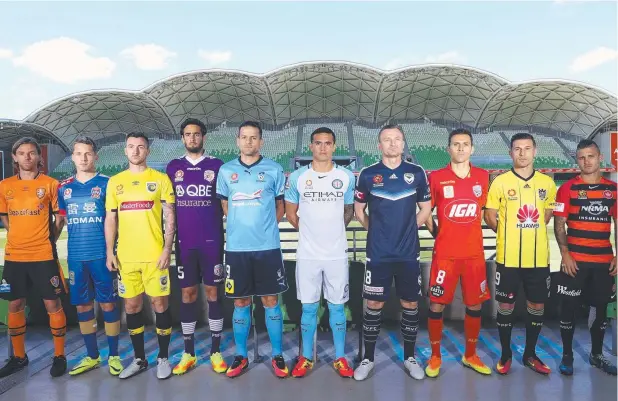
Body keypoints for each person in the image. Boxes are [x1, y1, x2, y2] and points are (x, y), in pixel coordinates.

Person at [353, 124, 432, 381]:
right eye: (387, 140)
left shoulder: (416, 173)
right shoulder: (368, 174)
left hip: (409, 253)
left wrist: (409, 227)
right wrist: (376, 231)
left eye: (397, 139)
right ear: (379, 145)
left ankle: (410, 357)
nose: (393, 143)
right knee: (374, 303)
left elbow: (425, 208)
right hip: (378, 254)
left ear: (403, 143)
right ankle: (368, 358)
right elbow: (358, 211)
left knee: (410, 303)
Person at [216, 121, 288, 378]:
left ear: (261, 141)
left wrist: (264, 227)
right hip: (237, 249)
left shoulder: (274, 169)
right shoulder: (225, 171)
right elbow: (226, 206)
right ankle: (241, 356)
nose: (249, 142)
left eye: (253, 137)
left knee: (271, 301)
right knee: (241, 301)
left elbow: (280, 206)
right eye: (244, 137)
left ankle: (277, 355)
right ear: (238, 141)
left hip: (267, 248)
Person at [285, 127, 356, 378]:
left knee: (337, 307)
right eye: (318, 143)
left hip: (336, 254)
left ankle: (340, 357)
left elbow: (349, 210)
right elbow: (291, 213)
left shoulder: (346, 177)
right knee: (308, 308)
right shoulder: (296, 178)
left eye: (328, 143)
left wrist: (333, 230)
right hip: (308, 255)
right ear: (311, 146)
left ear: (334, 146)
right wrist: (311, 232)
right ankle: (305, 358)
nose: (323, 147)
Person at [105, 132, 176, 380]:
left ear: (148, 151)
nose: (135, 151)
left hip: (155, 256)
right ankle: (139, 359)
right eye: (131, 147)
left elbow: (169, 216)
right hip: (126, 257)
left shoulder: (160, 179)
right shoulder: (115, 182)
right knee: (132, 306)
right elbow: (111, 218)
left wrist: (167, 248)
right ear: (125, 150)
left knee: (159, 305)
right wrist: (109, 252)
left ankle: (163, 357)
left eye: (141, 147)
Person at [484, 132, 556, 375]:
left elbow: (547, 215)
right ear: (510, 153)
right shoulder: (500, 182)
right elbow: (490, 216)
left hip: (538, 260)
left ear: (535, 151)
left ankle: (530, 354)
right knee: (506, 304)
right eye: (517, 149)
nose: (522, 153)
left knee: (536, 304)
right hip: (508, 258)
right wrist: (508, 234)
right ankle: (506, 354)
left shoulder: (547, 184)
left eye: (527, 148)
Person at [424, 129, 491, 378]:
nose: (461, 148)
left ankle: (470, 354)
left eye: (465, 144)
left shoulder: (484, 177)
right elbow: (425, 210)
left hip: (474, 255)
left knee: (474, 304)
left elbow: (487, 211)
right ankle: (435, 356)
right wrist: (437, 233)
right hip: (445, 255)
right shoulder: (437, 177)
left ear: (472, 149)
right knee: (437, 303)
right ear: (448, 149)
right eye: (456, 144)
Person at [0, 137, 68, 378]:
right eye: (22, 153)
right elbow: (5, 217)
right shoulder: (4, 185)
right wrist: (16, 235)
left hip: (42, 254)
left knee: (53, 304)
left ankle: (59, 356)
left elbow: (59, 218)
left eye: (32, 153)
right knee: (15, 304)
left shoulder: (51, 184)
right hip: (15, 256)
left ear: (39, 157)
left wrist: (49, 238)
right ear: (14, 158)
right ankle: (19, 357)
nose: (27, 157)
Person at [165, 118, 227, 375]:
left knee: (213, 294)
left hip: (212, 242)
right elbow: (168, 208)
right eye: (188, 134)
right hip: (185, 244)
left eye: (196, 134)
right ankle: (188, 352)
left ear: (204, 137)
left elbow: (225, 205)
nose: (192, 138)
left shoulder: (217, 166)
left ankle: (215, 351)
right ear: (182, 138)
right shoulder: (173, 167)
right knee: (187, 295)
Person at [58, 136, 122, 376]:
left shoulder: (108, 183)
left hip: (101, 256)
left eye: (88, 153)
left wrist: (111, 252)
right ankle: (92, 356)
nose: (83, 158)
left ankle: (114, 355)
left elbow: (114, 220)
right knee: (83, 306)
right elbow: (60, 220)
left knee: (108, 303)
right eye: (78, 153)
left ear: (96, 156)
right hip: (76, 256)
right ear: (72, 157)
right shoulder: (63, 187)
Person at [553, 139, 617, 376]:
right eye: (581, 157)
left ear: (600, 158)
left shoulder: (614, 190)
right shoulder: (567, 188)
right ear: (576, 160)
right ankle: (567, 356)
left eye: (591, 156)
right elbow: (559, 224)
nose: (586, 161)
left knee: (601, 311)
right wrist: (566, 254)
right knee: (568, 309)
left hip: (603, 264)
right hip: (575, 263)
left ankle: (597, 355)